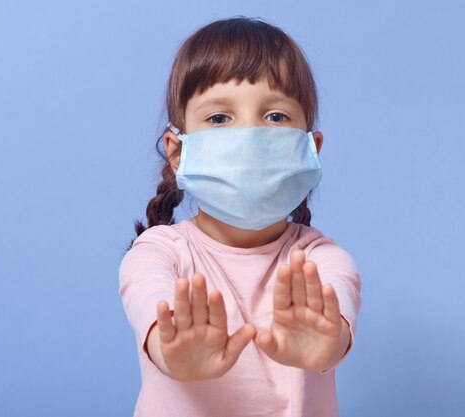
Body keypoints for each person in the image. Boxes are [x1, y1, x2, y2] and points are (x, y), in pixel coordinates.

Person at [118, 16, 362, 417]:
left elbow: (334, 327)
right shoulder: (158, 254)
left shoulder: (323, 261)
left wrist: (327, 344)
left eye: (275, 117)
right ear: (177, 152)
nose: (249, 137)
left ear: (310, 148)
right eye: (219, 119)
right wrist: (174, 351)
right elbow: (151, 306)